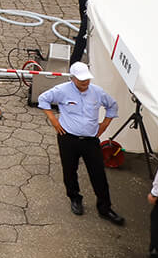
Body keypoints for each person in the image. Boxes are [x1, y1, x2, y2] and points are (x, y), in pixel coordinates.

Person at [37, 62, 125, 225]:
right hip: (68, 138)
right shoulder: (62, 90)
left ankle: (105, 207)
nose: (85, 83)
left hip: (90, 140)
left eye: (87, 80)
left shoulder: (97, 92)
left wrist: (104, 125)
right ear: (72, 78)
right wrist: (54, 121)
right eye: (81, 80)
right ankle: (75, 198)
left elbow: (112, 106)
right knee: (70, 170)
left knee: (98, 173)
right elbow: (43, 99)